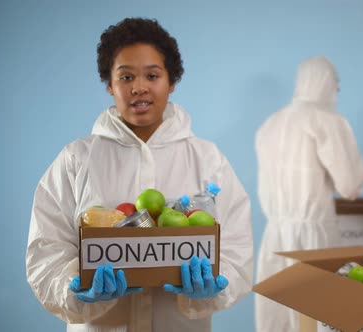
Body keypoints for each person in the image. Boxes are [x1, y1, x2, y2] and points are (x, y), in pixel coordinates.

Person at [25, 18, 253, 331]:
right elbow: (45, 251)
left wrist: (213, 284)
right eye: (126, 76)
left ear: (172, 81)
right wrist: (76, 287)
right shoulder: (76, 159)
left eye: (152, 75)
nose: (139, 87)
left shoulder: (208, 158)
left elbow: (237, 248)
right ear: (109, 84)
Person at [254, 56, 363, 332]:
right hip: (314, 239)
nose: (337, 91)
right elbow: (350, 186)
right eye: (336, 84)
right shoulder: (326, 121)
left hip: (275, 237)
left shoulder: (271, 123)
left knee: (278, 319)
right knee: (316, 318)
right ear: (326, 84)